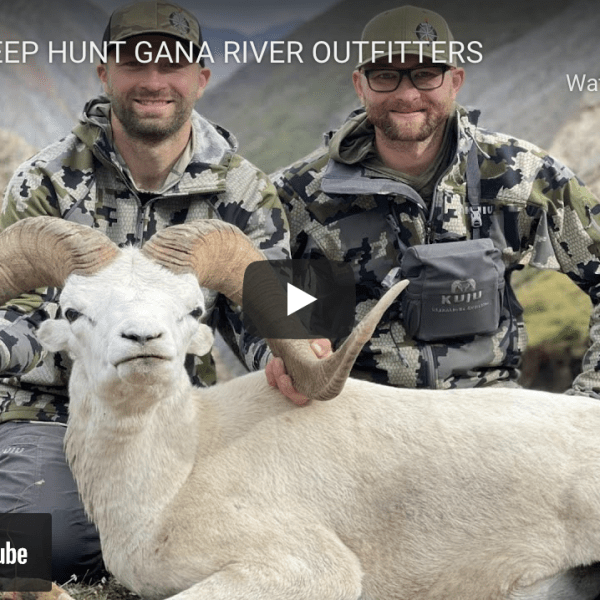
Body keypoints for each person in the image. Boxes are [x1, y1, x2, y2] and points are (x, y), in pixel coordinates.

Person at [0, 0, 289, 582]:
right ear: (104, 74)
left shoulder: (243, 190)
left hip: (176, 407)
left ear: (200, 78)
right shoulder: (46, 180)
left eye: (172, 65)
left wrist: (294, 350)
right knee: (36, 549)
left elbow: (275, 302)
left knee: (236, 532)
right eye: (135, 63)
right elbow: (21, 311)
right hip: (53, 406)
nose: (154, 81)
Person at [267, 5, 600, 403]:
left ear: (455, 81)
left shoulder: (522, 176)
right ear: (360, 84)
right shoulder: (300, 194)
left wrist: (590, 401)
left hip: (489, 414)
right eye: (385, 75)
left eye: (425, 74)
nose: (407, 94)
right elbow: (253, 299)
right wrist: (281, 351)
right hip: (354, 417)